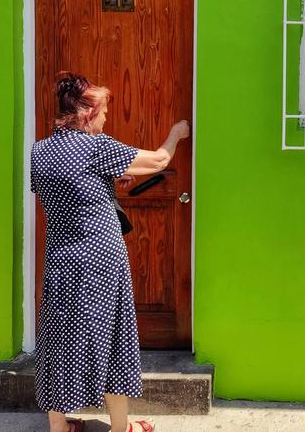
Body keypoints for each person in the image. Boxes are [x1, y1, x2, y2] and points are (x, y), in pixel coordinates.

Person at [31, 73, 190, 432]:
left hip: (61, 259)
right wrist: (177, 132)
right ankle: (121, 427)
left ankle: (60, 426)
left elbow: (67, 188)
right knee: (114, 337)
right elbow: (160, 161)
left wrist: (107, 178)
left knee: (58, 337)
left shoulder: (39, 152)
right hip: (102, 259)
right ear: (88, 114)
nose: (105, 120)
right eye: (103, 113)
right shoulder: (96, 147)